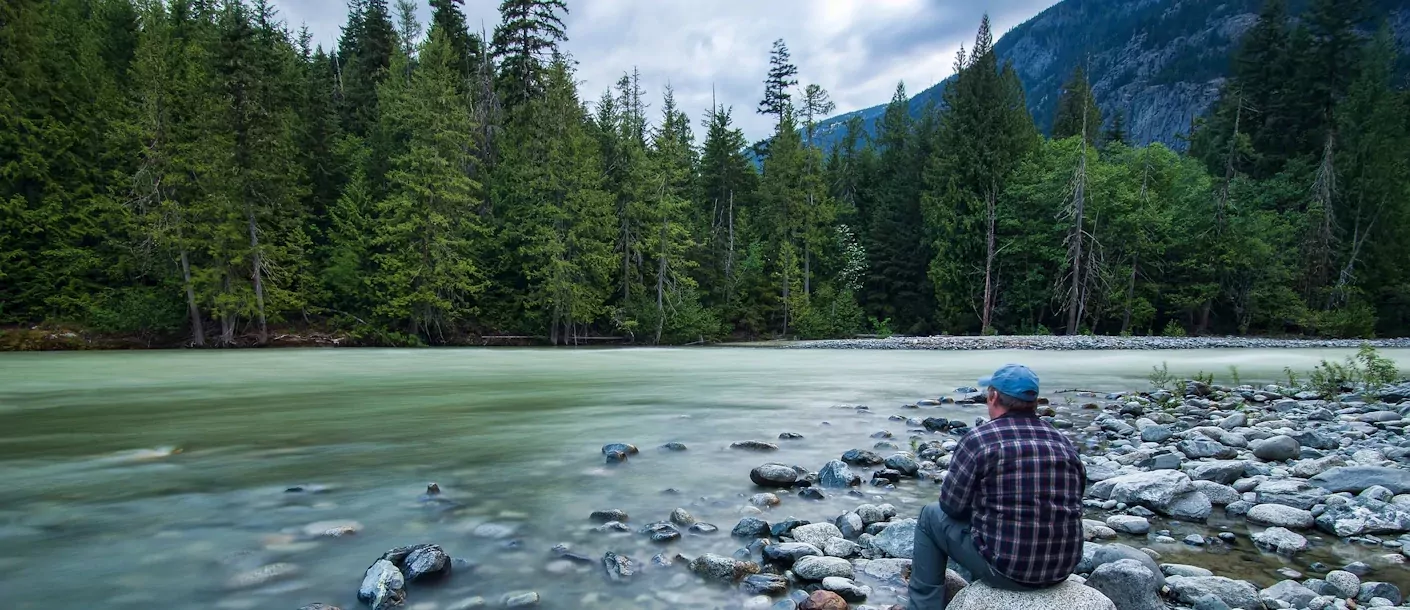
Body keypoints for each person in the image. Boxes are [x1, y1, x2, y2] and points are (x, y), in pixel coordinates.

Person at [908, 364, 1086, 610]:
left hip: (1007, 570)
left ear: (992, 397)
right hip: (1061, 568)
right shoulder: (1063, 443)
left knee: (930, 516)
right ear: (1033, 401)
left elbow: (951, 507)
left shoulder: (980, 440)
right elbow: (1074, 500)